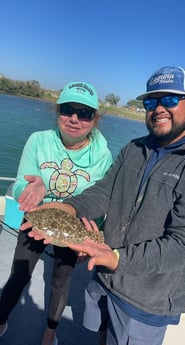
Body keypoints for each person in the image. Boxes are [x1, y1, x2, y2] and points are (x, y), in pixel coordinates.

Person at [23, 66, 185, 345]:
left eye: (169, 100)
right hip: (104, 276)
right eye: (151, 102)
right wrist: (70, 207)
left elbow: (181, 243)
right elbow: (104, 192)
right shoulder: (133, 148)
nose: (158, 108)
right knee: (101, 335)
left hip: (146, 297)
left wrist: (117, 258)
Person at [0, 81, 113, 345]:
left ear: (95, 119)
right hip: (35, 220)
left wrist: (90, 240)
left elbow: (101, 201)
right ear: (58, 111)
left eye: (84, 113)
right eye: (67, 109)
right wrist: (28, 189)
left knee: (60, 282)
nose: (74, 118)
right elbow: (17, 185)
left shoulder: (104, 157)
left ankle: (50, 331)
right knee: (19, 275)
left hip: (72, 230)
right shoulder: (38, 141)